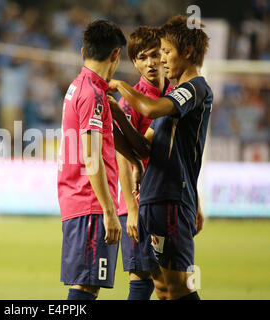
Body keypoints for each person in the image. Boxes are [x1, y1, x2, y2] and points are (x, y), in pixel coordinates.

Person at [109, 15, 210, 300]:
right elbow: (143, 149)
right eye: (152, 55)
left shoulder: (189, 91)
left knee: (176, 287)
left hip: (171, 202)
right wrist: (113, 116)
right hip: (153, 203)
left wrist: (119, 87)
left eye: (164, 52)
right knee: (163, 289)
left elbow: (151, 111)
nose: (160, 61)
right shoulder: (172, 97)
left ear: (186, 52)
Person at [58, 20, 142, 300]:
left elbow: (103, 140)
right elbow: (91, 157)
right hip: (91, 203)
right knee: (87, 286)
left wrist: (136, 161)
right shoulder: (93, 95)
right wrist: (108, 210)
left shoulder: (79, 87)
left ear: (83, 52)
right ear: (116, 55)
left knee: (86, 283)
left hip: (78, 199)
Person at [114, 26, 173, 300]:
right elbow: (122, 158)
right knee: (141, 279)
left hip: (169, 201)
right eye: (141, 57)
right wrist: (132, 208)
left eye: (153, 55)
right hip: (140, 203)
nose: (149, 63)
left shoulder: (176, 95)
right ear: (134, 62)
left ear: (164, 55)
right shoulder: (131, 100)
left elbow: (180, 156)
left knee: (167, 283)